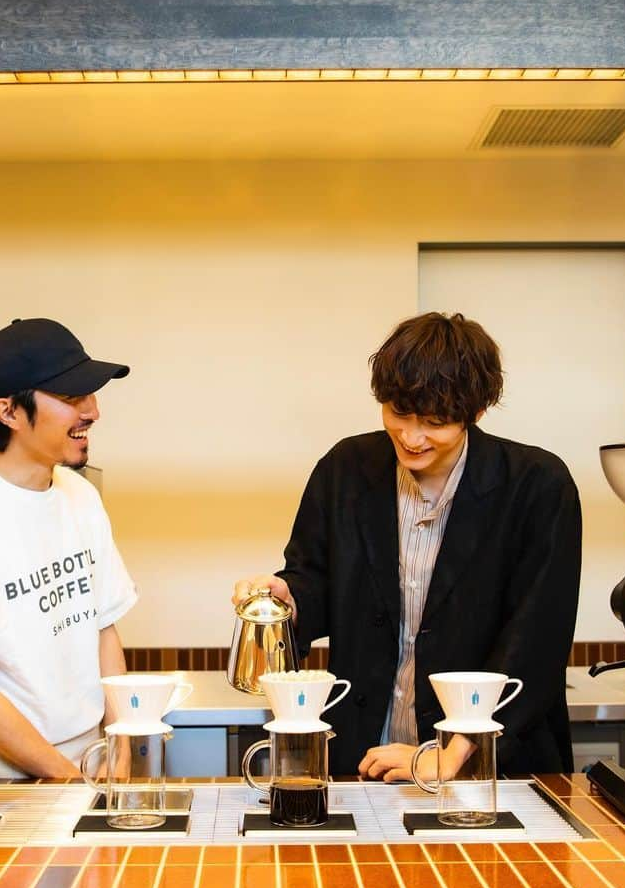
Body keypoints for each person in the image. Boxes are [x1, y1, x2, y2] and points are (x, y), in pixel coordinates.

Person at [233, 312, 582, 782]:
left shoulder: (535, 486)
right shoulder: (346, 470)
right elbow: (313, 580)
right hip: (364, 757)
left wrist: (455, 751)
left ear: (475, 413)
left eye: (435, 422)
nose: (412, 437)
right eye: (399, 414)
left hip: (491, 767)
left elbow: (535, 642)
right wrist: (285, 598)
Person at [0, 317, 137, 778]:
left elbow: (103, 632)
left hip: (86, 763)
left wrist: (119, 747)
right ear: (9, 412)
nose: (92, 411)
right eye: (72, 398)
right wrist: (66, 778)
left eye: (90, 395)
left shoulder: (81, 498)